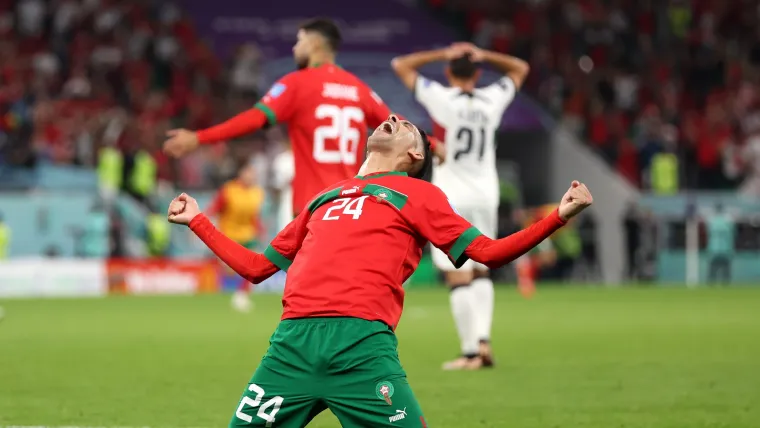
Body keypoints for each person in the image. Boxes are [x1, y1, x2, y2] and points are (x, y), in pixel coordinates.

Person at [167, 115, 593, 427]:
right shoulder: (324, 197)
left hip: (361, 348)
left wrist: (558, 215)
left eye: (405, 125)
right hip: (290, 347)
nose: (391, 118)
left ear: (414, 155)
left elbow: (489, 252)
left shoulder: (421, 195)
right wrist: (199, 221)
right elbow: (258, 267)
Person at [163, 18, 414, 216]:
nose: (295, 47)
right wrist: (433, 145)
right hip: (350, 202)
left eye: (300, 40)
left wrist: (200, 137)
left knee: (307, 279)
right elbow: (400, 126)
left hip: (313, 203)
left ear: (315, 44)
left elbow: (255, 118)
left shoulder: (297, 83)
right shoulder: (359, 89)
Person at [390, 42, 530, 370]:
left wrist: (441, 53)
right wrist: (485, 54)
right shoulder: (492, 99)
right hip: (486, 193)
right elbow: (520, 68)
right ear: (478, 73)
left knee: (457, 274)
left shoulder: (441, 97)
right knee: (482, 270)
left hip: (451, 194)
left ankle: (469, 353)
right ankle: (483, 342)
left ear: (450, 71)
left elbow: (402, 64)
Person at [206, 161, 265, 312]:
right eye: (249, 173)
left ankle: (241, 296)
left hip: (248, 235)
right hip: (230, 235)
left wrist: (260, 229)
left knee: (254, 267)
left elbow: (253, 215)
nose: (251, 176)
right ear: (241, 173)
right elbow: (215, 208)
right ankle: (218, 293)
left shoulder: (257, 192)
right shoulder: (229, 190)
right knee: (228, 269)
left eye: (253, 174)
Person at [706, 203, 735, 284]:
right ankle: (725, 287)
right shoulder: (728, 220)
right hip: (725, 250)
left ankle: (712, 287)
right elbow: (734, 234)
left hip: (714, 250)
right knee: (725, 273)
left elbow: (708, 232)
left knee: (713, 272)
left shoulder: (711, 220)